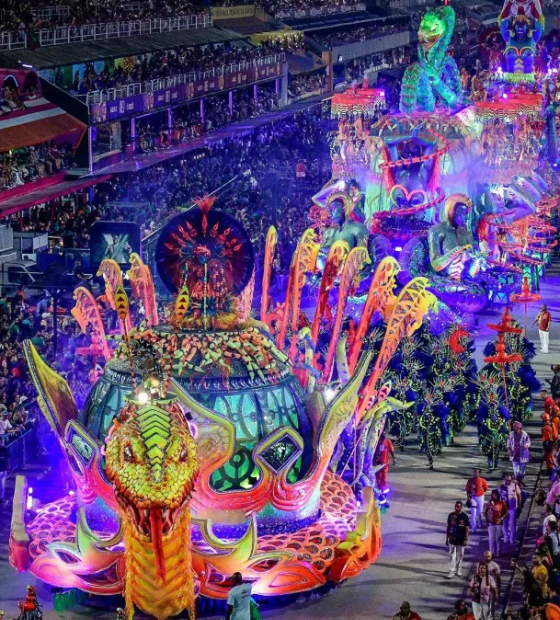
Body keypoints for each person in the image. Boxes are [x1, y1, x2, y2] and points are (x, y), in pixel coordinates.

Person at [446, 500, 470, 578]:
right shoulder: (451, 515)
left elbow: (467, 528)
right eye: (456, 506)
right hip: (452, 539)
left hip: (461, 540)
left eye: (458, 506)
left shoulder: (464, 517)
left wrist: (466, 539)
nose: (457, 508)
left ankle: (458, 569)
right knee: (452, 556)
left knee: (460, 556)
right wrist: (446, 538)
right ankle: (451, 571)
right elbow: (448, 527)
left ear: (461, 507)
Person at [499, 473, 522, 544]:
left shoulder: (515, 486)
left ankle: (512, 538)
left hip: (513, 508)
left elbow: (519, 495)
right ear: (504, 479)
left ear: (511, 480)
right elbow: (499, 497)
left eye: (509, 480)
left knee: (512, 524)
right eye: (506, 480)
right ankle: (506, 537)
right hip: (504, 508)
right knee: (504, 523)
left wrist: (519, 505)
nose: (508, 481)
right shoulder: (501, 487)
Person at [485, 490, 508, 556]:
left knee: (498, 538)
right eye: (491, 494)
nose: (492, 496)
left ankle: (498, 551)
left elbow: (506, 512)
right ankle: (491, 553)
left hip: (499, 523)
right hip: (491, 523)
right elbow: (486, 511)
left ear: (497, 495)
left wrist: (501, 518)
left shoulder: (502, 502)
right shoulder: (489, 502)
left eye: (493, 495)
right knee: (491, 538)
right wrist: (487, 520)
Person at [466, 468, 489, 532]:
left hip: (480, 497)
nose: (475, 473)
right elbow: (467, 490)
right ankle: (473, 527)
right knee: (473, 513)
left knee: (479, 512)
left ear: (479, 473)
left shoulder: (483, 480)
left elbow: (486, 488)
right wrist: (468, 499)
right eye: (474, 472)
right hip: (473, 497)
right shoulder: (470, 480)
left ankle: (479, 522)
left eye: (476, 472)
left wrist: (480, 492)